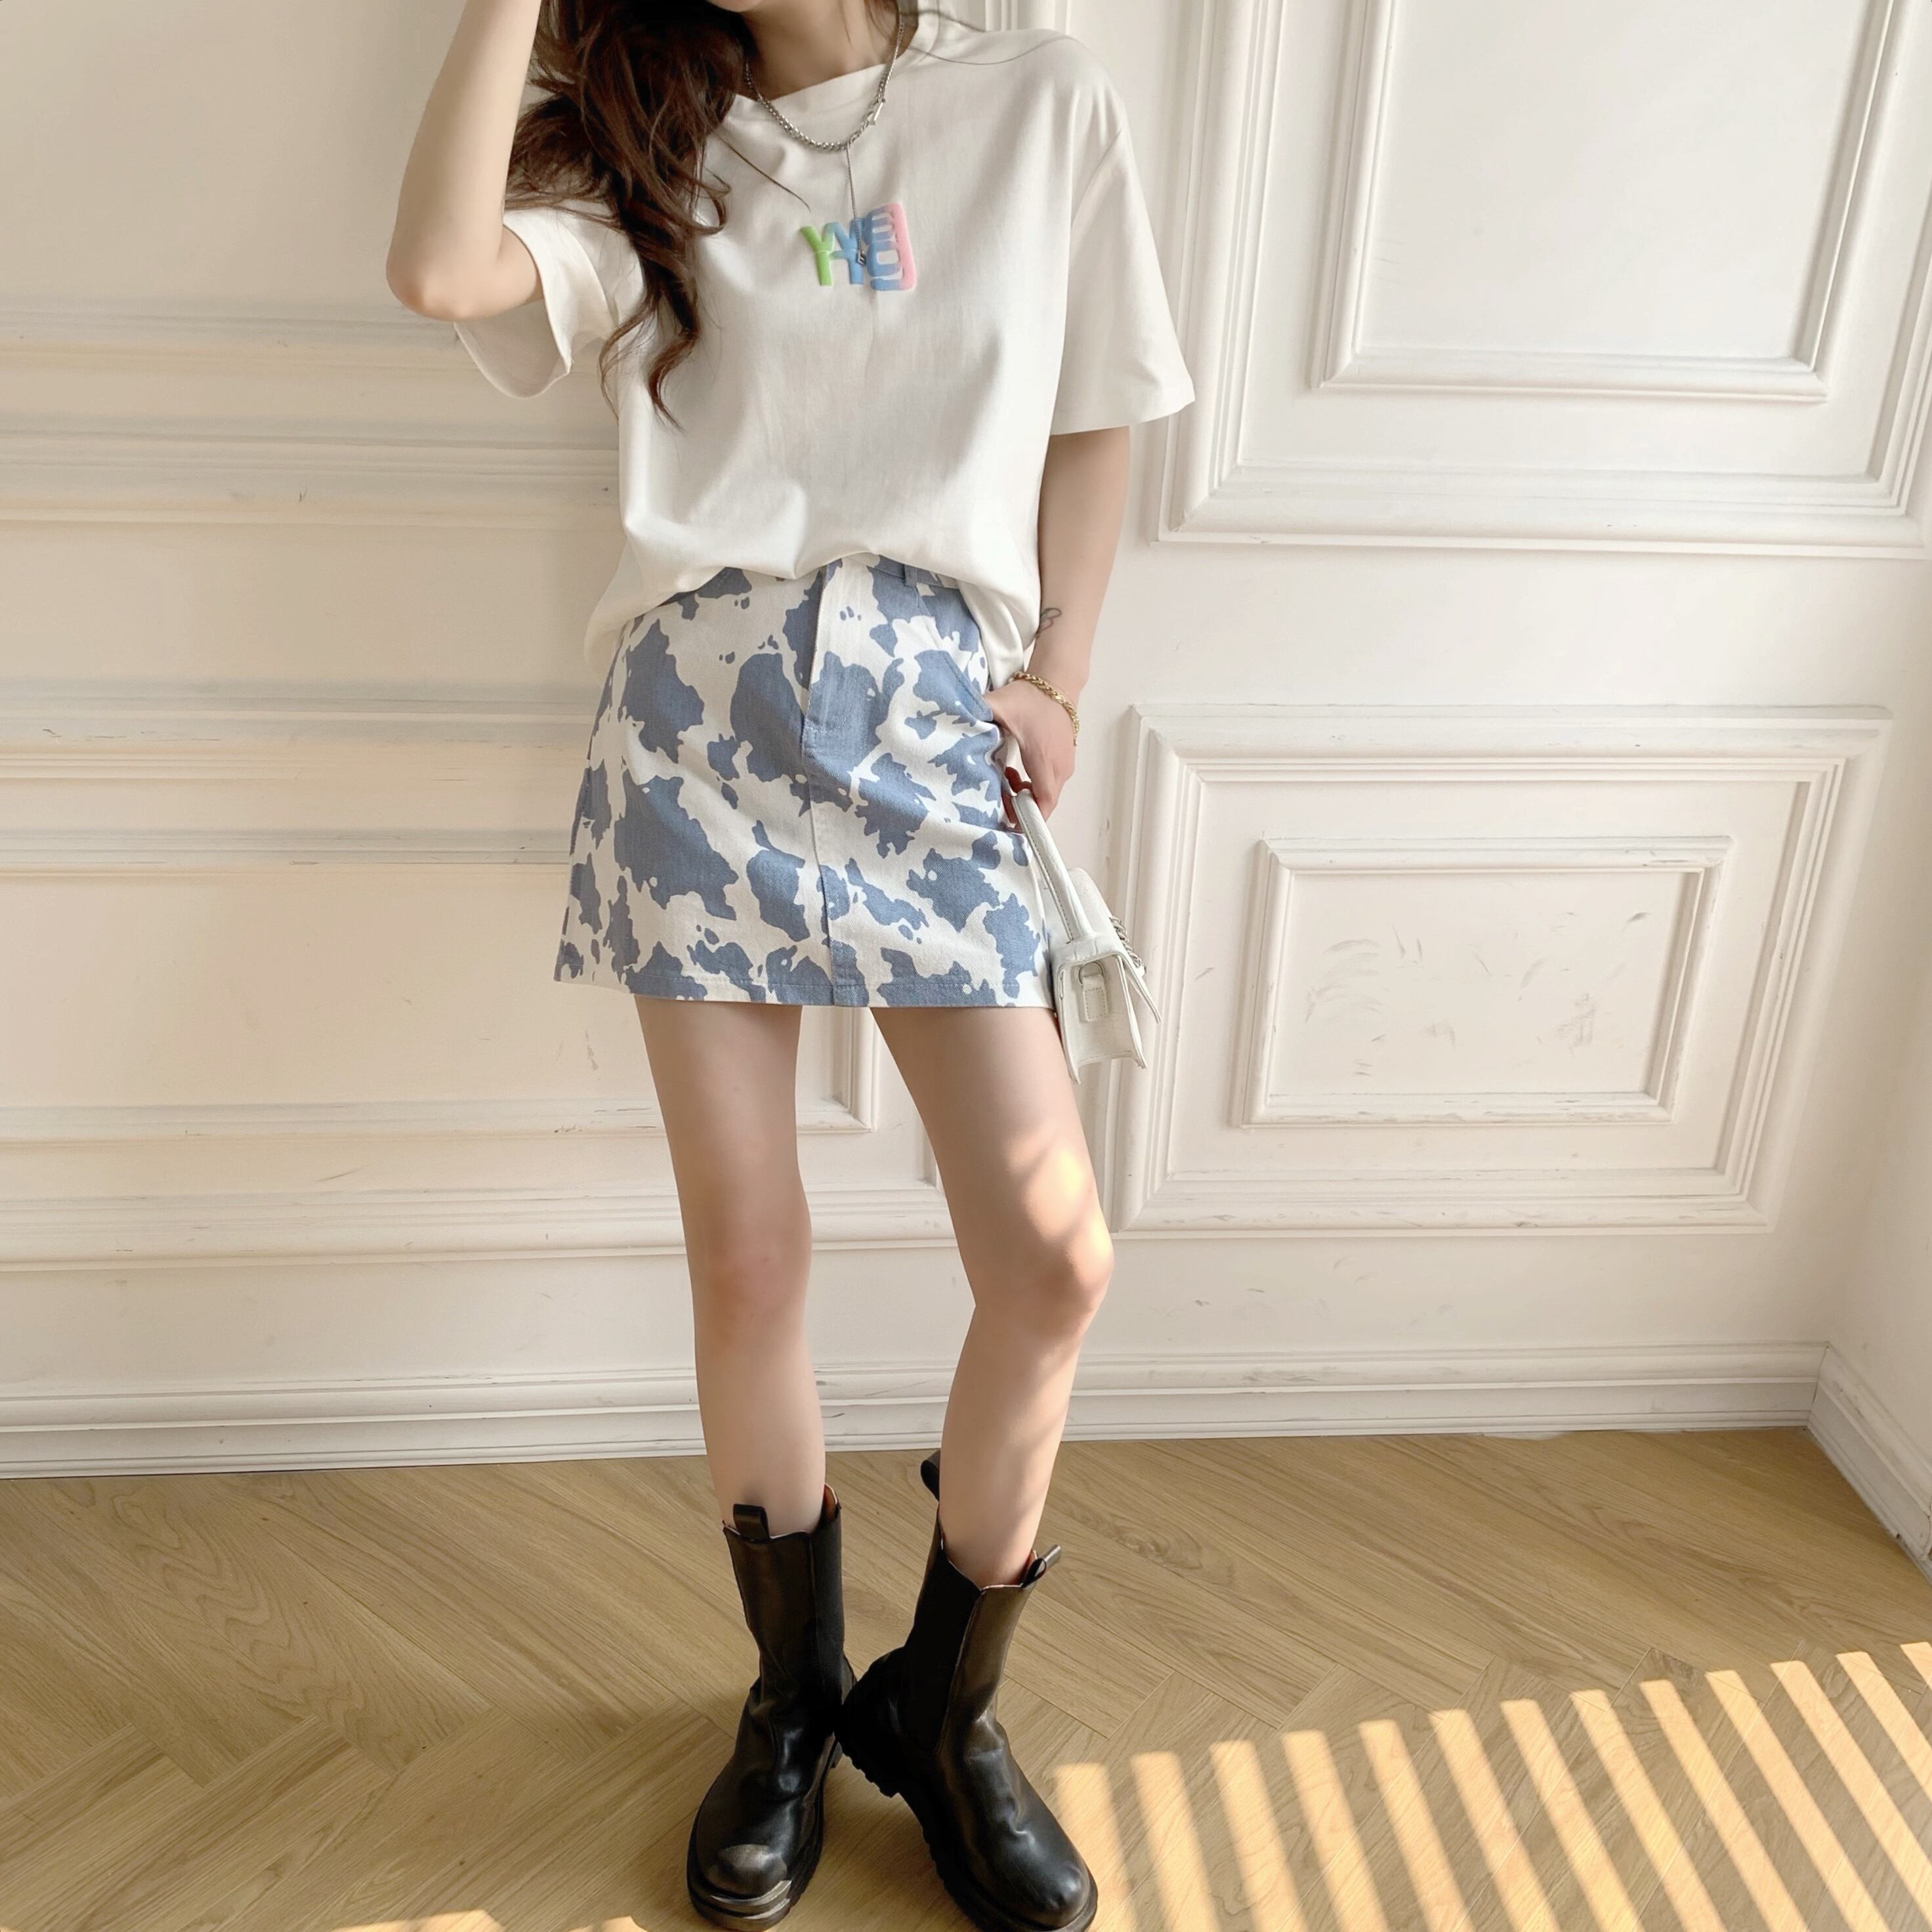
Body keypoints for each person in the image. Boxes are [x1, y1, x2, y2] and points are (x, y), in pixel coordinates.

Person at [386, 3, 1192, 1926]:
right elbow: (439, 269)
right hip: (697, 722)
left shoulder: (1039, 99)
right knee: (748, 1256)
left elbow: (1101, 403)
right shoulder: (652, 142)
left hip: (934, 723)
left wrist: (1062, 675)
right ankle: (793, 1698)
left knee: (1054, 1256)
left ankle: (944, 1711)